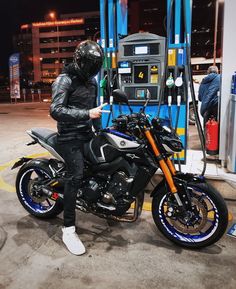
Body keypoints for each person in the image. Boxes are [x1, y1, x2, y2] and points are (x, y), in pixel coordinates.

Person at [50, 40, 105, 255]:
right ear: (79, 61)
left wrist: (100, 131)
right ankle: (69, 229)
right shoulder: (64, 80)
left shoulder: (92, 83)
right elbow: (56, 110)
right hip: (69, 136)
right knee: (76, 174)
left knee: (103, 161)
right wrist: (86, 115)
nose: (92, 70)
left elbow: (95, 109)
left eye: (96, 66)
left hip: (87, 133)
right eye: (90, 65)